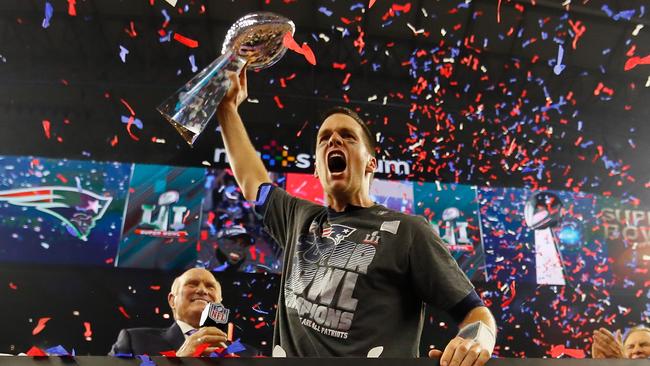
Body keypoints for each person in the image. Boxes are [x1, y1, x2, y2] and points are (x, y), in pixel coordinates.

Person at [215, 68, 496, 364]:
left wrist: (477, 341)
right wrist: (227, 108)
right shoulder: (298, 217)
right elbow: (251, 180)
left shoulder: (409, 232)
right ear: (316, 169)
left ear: (371, 162)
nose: (333, 141)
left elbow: (475, 312)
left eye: (347, 136)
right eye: (324, 139)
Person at [109, 268, 234, 357]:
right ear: (172, 300)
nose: (202, 290)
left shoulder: (247, 352)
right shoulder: (134, 341)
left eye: (210, 287)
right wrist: (179, 361)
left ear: (219, 301)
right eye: (192, 284)